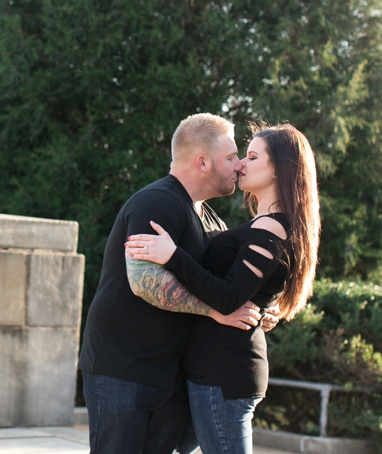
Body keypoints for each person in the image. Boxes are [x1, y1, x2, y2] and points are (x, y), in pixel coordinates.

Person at [78, 114, 276, 454]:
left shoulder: (211, 218)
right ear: (202, 162)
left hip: (171, 373)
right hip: (123, 367)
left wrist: (262, 309)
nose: (239, 164)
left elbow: (221, 283)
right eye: (231, 157)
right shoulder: (156, 203)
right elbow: (143, 280)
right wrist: (217, 311)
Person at [125, 124, 321, 454]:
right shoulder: (265, 225)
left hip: (224, 374)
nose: (242, 163)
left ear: (279, 169)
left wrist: (172, 255)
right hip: (214, 371)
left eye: (253, 156)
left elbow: (229, 297)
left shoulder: (272, 227)